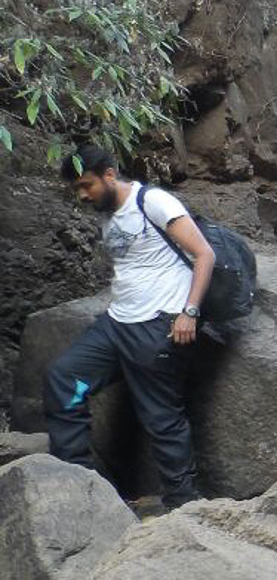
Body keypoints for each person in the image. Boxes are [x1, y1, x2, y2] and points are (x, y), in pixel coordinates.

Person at [45, 144, 216, 509]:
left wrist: (189, 312)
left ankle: (184, 504)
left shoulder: (153, 202)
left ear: (109, 175)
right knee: (65, 379)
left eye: (86, 185)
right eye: (77, 188)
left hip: (157, 325)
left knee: (161, 417)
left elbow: (205, 254)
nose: (82, 195)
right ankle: (78, 482)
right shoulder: (108, 212)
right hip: (117, 323)